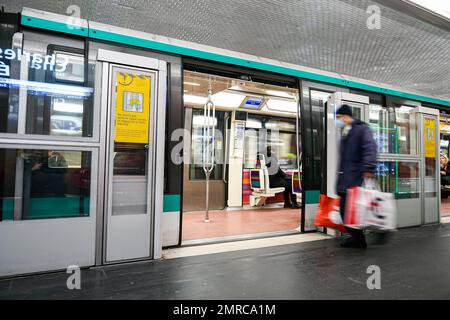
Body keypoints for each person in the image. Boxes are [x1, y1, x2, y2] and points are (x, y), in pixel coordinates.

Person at [335, 104, 378, 249]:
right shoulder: (345, 131)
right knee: (345, 212)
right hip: (345, 178)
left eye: (339, 117)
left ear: (345, 116)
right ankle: (357, 238)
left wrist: (368, 168)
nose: (337, 120)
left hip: (355, 178)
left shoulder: (361, 129)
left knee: (350, 211)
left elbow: (370, 148)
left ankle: (358, 239)